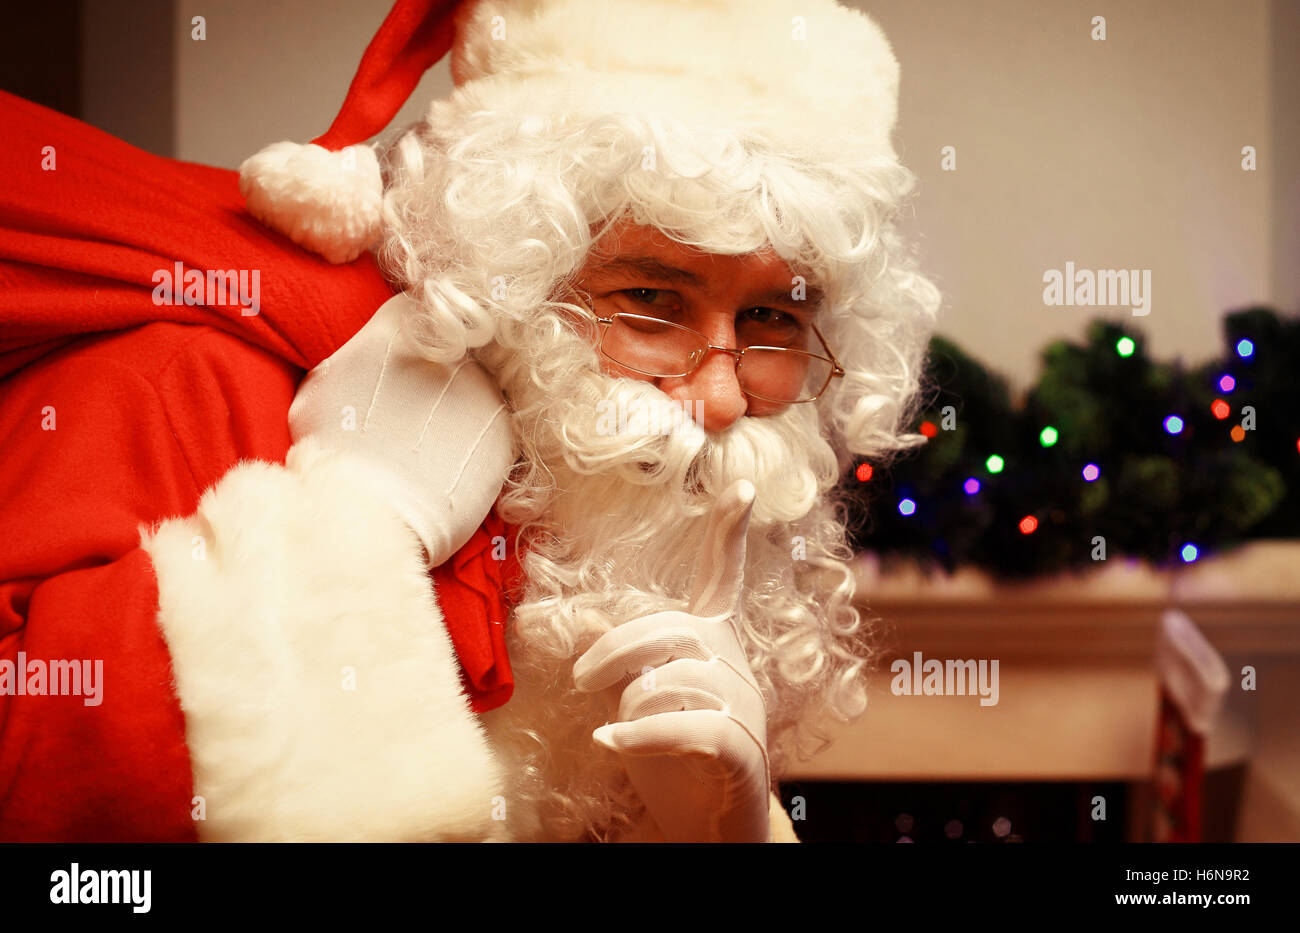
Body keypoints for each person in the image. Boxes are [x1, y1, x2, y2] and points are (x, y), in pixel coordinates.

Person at [0, 0, 939, 843]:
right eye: (651, 297)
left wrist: (727, 836)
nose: (723, 399)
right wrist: (356, 525)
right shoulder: (190, 373)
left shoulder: (611, 523)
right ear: (517, 275)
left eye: (776, 317)